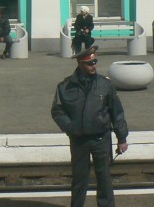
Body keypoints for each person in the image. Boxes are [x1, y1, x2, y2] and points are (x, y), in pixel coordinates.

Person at [51, 45, 129, 207]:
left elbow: (117, 112)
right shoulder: (65, 87)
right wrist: (70, 127)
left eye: (95, 62)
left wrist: (122, 138)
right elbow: (57, 111)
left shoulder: (105, 85)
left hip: (101, 139)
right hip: (79, 140)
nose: (93, 65)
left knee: (104, 179)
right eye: (89, 63)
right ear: (80, 63)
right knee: (79, 180)